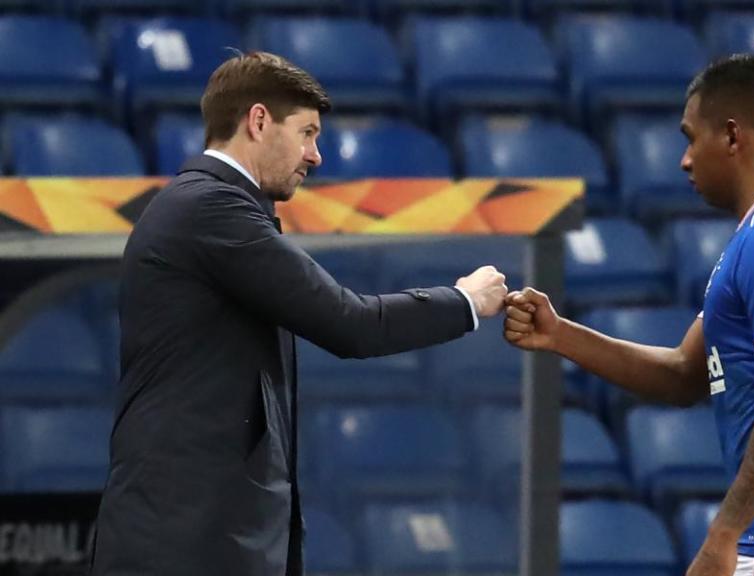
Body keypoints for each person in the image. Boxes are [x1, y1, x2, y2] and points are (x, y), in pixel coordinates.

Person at [90, 51, 508, 576]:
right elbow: (351, 323)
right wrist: (466, 300)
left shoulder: (215, 208)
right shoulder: (211, 208)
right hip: (183, 545)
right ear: (258, 121)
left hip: (200, 539)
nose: (316, 156)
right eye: (307, 133)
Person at [503, 54, 754, 576]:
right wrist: (559, 336)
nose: (685, 160)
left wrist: (725, 534)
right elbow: (683, 375)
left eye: (692, 138)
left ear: (733, 137)